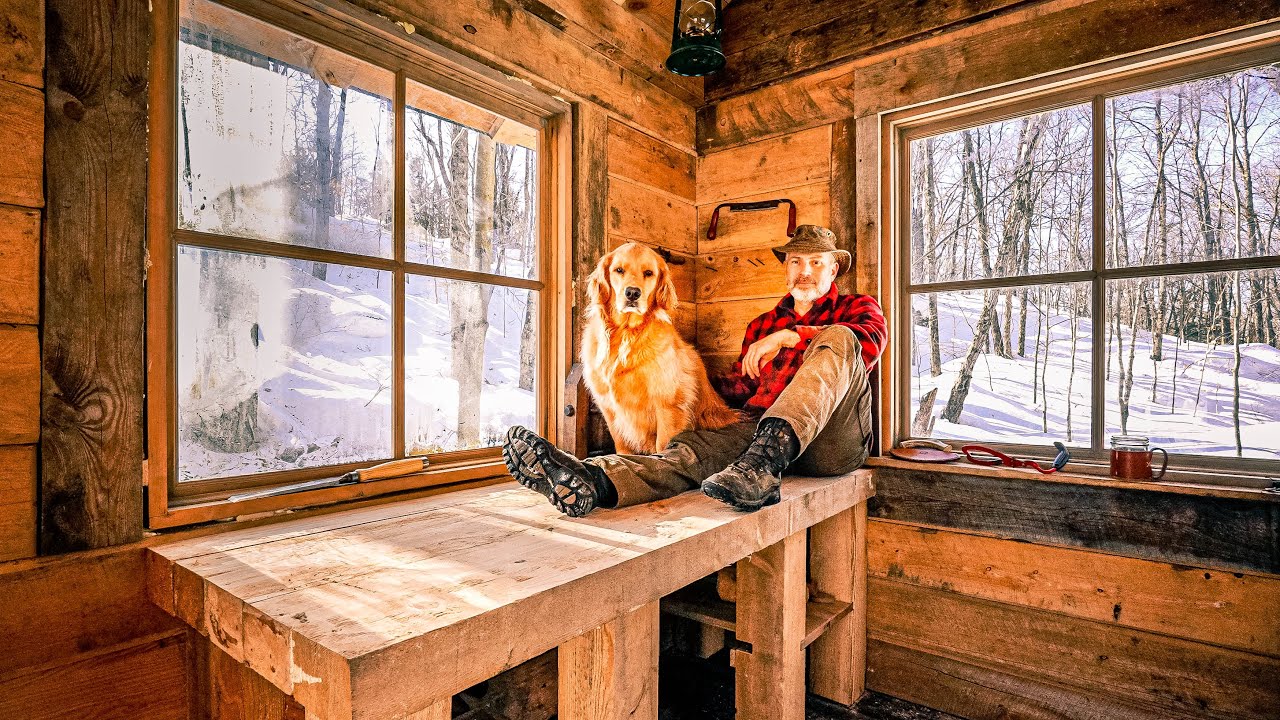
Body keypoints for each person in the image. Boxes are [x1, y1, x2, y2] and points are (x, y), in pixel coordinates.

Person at [502, 224, 888, 515]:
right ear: (786, 270)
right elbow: (738, 389)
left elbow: (868, 344)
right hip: (757, 441)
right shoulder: (760, 325)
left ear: (833, 270)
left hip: (831, 444)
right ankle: (592, 479)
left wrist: (788, 337)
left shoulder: (858, 308)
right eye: (796, 262)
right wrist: (682, 373)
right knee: (685, 451)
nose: (805, 271)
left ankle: (765, 461)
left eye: (816, 262)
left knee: (839, 338)